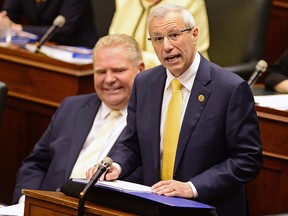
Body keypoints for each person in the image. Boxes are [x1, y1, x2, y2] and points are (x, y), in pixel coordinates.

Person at [86, 4, 262, 216]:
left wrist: (191, 187)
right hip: (153, 206)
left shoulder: (230, 88)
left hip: (208, 209)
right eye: (158, 39)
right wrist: (116, 165)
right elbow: (132, 143)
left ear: (194, 35)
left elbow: (247, 158)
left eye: (174, 35)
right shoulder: (144, 83)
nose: (167, 46)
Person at [13, 34, 145, 204]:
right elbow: (36, 164)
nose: (109, 79)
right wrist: (27, 203)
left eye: (118, 70)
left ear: (140, 70)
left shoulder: (151, 122)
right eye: (101, 72)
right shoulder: (71, 107)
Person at [109, 0, 209, 69]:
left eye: (174, 35)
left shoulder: (188, 2)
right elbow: (113, 47)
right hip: (132, 80)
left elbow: (185, 56)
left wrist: (127, 57)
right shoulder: (124, 2)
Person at [0, 0, 97, 48]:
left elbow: (64, 30)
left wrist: (19, 28)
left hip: (76, 51)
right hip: (42, 47)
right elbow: (8, 14)